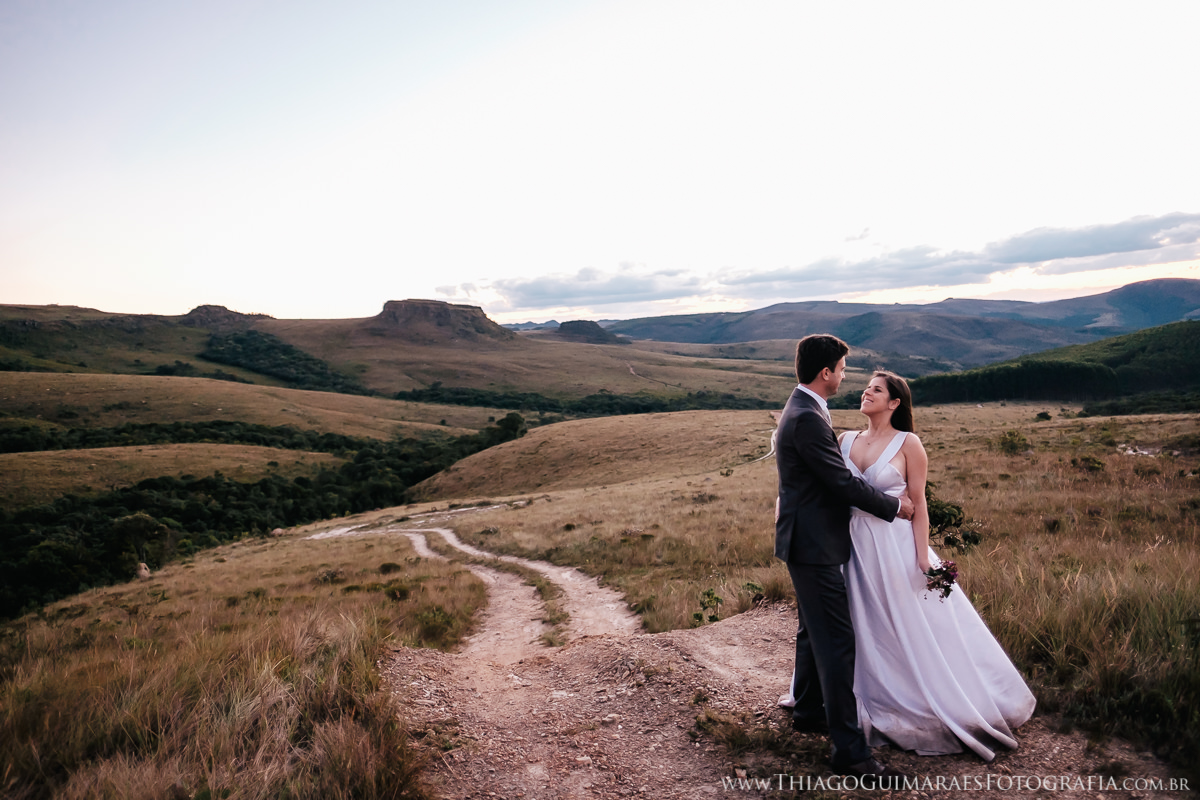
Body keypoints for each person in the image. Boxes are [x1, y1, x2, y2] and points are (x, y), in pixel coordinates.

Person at [836, 370, 1036, 761]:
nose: (867, 392)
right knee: (860, 623)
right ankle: (861, 695)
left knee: (906, 623)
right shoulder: (844, 439)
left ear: (895, 403)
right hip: (851, 546)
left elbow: (919, 504)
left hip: (893, 546)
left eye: (876, 390)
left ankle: (927, 697)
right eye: (866, 387)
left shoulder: (909, 443)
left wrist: (922, 555)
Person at [774, 334, 914, 779]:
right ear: (826, 373)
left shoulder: (804, 409)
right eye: (843, 369)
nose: (846, 377)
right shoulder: (808, 418)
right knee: (836, 641)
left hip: (808, 540)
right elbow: (840, 483)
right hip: (813, 544)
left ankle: (809, 710)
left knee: (812, 632)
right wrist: (895, 507)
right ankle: (850, 753)